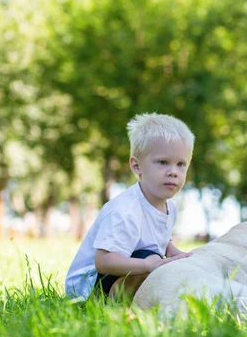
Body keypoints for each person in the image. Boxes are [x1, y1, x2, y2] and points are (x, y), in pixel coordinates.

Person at [65, 113, 195, 302]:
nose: (173, 172)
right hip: (87, 290)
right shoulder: (125, 211)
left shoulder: (169, 207)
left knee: (160, 263)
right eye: (163, 162)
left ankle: (140, 298)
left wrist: (176, 254)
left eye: (181, 164)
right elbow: (104, 262)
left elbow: (160, 239)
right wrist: (148, 265)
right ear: (136, 166)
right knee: (149, 257)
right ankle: (117, 303)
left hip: (123, 273)